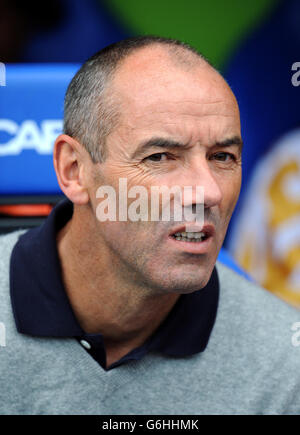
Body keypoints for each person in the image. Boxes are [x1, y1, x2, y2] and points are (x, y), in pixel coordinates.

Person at [0, 36, 299, 415]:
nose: (207, 192)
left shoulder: (285, 363)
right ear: (74, 170)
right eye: (160, 157)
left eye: (223, 156)